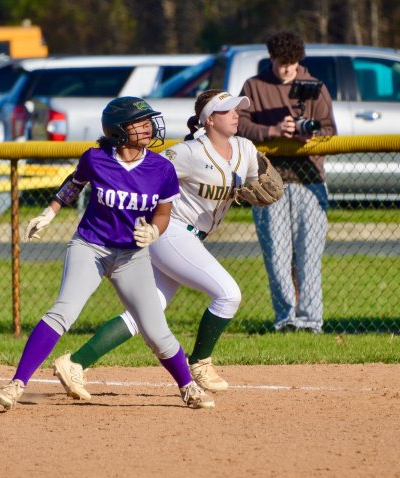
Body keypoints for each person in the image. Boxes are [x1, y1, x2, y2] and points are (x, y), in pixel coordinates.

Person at [0, 96, 214, 411]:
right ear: (119, 130)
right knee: (63, 311)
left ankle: (188, 387)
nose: (148, 127)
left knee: (155, 330)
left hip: (132, 256)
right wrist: (49, 212)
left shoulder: (161, 168)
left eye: (149, 121)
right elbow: (74, 184)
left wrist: (155, 230)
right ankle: (17, 384)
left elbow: (164, 213)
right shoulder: (96, 158)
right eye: (139, 123)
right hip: (90, 246)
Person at [55, 90, 261, 395]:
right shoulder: (189, 152)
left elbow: (256, 183)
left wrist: (255, 190)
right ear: (208, 120)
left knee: (145, 313)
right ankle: (200, 362)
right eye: (228, 109)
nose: (236, 114)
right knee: (228, 294)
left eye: (237, 109)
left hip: (194, 239)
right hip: (171, 231)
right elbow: (146, 169)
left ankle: (76, 363)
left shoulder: (245, 148)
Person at [237, 30, 337, 334]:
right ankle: (286, 321)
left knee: (309, 256)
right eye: (283, 63)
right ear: (271, 59)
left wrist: (312, 135)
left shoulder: (315, 88)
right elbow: (239, 124)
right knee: (277, 257)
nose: (288, 69)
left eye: (293, 64)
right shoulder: (254, 87)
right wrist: (272, 131)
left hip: (310, 181)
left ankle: (311, 321)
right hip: (269, 182)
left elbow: (331, 130)